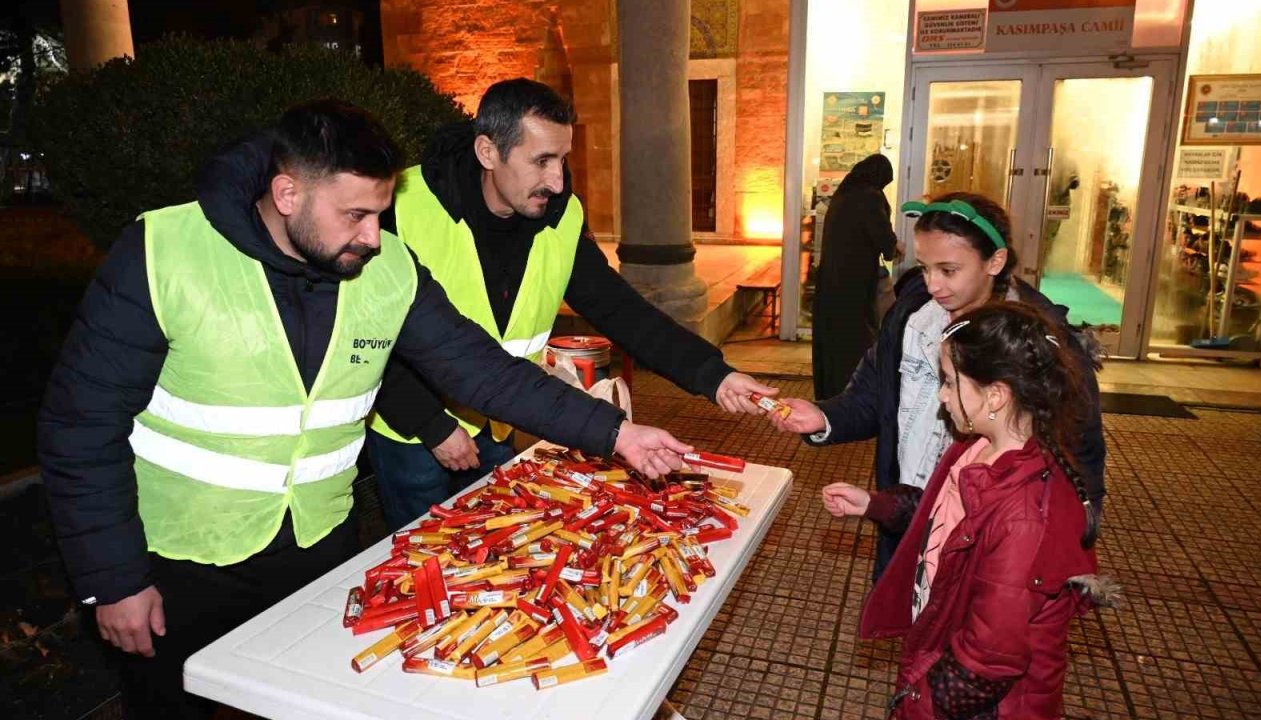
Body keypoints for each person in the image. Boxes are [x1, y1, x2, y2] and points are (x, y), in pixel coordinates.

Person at [37, 99, 691, 719]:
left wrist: (615, 433)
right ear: (288, 193)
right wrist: (113, 578)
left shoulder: (387, 268)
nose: (375, 236)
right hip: (175, 564)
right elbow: (79, 428)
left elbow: (483, 370)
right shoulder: (164, 251)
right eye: (355, 215)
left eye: (380, 213)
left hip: (318, 550)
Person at [366, 78, 775, 529]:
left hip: (504, 414)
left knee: (490, 558)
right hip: (412, 432)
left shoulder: (559, 214)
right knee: (415, 560)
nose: (557, 180)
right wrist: (431, 425)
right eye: (541, 161)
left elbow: (621, 310)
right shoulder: (399, 206)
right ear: (488, 152)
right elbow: (369, 336)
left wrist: (713, 375)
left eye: (562, 159)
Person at [769, 192, 1105, 579]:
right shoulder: (913, 316)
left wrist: (1075, 532)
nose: (933, 285)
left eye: (948, 270)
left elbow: (1081, 450)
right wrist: (823, 416)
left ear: (994, 261)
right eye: (925, 268)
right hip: (911, 513)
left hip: (992, 538)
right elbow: (874, 395)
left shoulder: (1038, 341)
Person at [825, 302, 1115, 719]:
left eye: (948, 381)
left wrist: (917, 702)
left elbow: (988, 662)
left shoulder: (1026, 516)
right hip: (941, 645)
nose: (942, 396)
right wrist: (876, 504)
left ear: (995, 395)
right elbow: (943, 516)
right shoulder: (977, 447)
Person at [811, 154, 897, 401]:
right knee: (855, 337)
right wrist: (894, 245)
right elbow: (882, 236)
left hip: (831, 280)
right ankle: (852, 393)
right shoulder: (869, 197)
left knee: (832, 338)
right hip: (854, 283)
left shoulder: (844, 194)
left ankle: (830, 390)